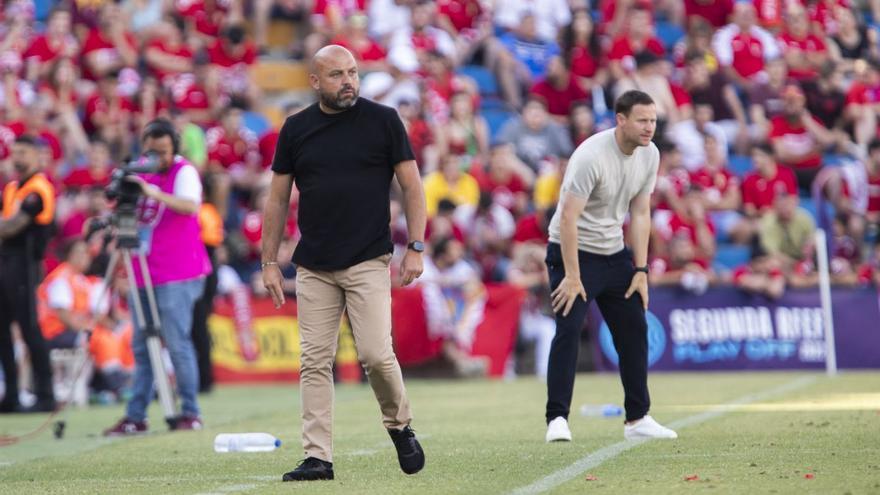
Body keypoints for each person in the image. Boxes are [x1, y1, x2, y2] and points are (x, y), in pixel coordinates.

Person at [261, 45, 427, 482]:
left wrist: (416, 245)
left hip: (368, 259)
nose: (348, 81)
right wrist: (269, 261)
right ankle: (318, 457)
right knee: (314, 361)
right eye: (336, 74)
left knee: (375, 355)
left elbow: (411, 186)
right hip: (314, 265)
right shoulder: (296, 129)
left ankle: (400, 425)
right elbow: (278, 198)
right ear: (315, 82)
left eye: (352, 72)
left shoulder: (384, 119)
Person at [544, 90, 678, 442]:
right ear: (621, 120)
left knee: (635, 328)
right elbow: (569, 219)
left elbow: (641, 212)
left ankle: (638, 419)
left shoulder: (651, 154)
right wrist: (572, 277)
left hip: (614, 252)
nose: (650, 128)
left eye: (653, 120)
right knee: (569, 328)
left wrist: (641, 270)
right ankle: (557, 418)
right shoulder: (590, 156)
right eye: (642, 120)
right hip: (571, 251)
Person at [104, 119, 212, 435]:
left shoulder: (184, 172)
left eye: (164, 151)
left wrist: (151, 191)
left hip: (180, 271)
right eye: (152, 151)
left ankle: (190, 411)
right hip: (145, 271)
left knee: (176, 343)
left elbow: (189, 206)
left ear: (174, 148)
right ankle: (136, 414)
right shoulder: (142, 170)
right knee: (142, 344)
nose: (158, 158)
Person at [0, 136, 57, 413]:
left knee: (30, 329)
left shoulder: (39, 188)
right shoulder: (13, 187)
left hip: (25, 265)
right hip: (5, 263)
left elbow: (11, 227)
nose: (17, 157)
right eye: (15, 152)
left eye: (23, 152)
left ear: (37, 155)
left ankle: (45, 394)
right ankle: (10, 394)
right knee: (2, 331)